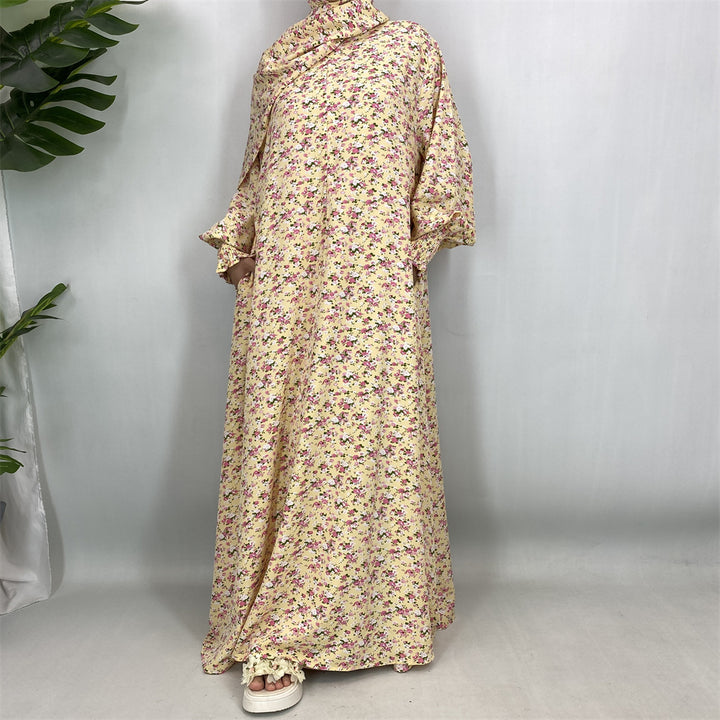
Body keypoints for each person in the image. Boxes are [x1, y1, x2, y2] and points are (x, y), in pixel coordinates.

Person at [199, 0, 475, 713]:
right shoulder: (280, 59)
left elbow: (441, 167)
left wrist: (401, 257)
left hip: (372, 286)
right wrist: (243, 241)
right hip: (286, 286)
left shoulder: (411, 49)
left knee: (364, 443)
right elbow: (258, 176)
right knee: (290, 440)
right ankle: (278, 629)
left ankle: (371, 617)